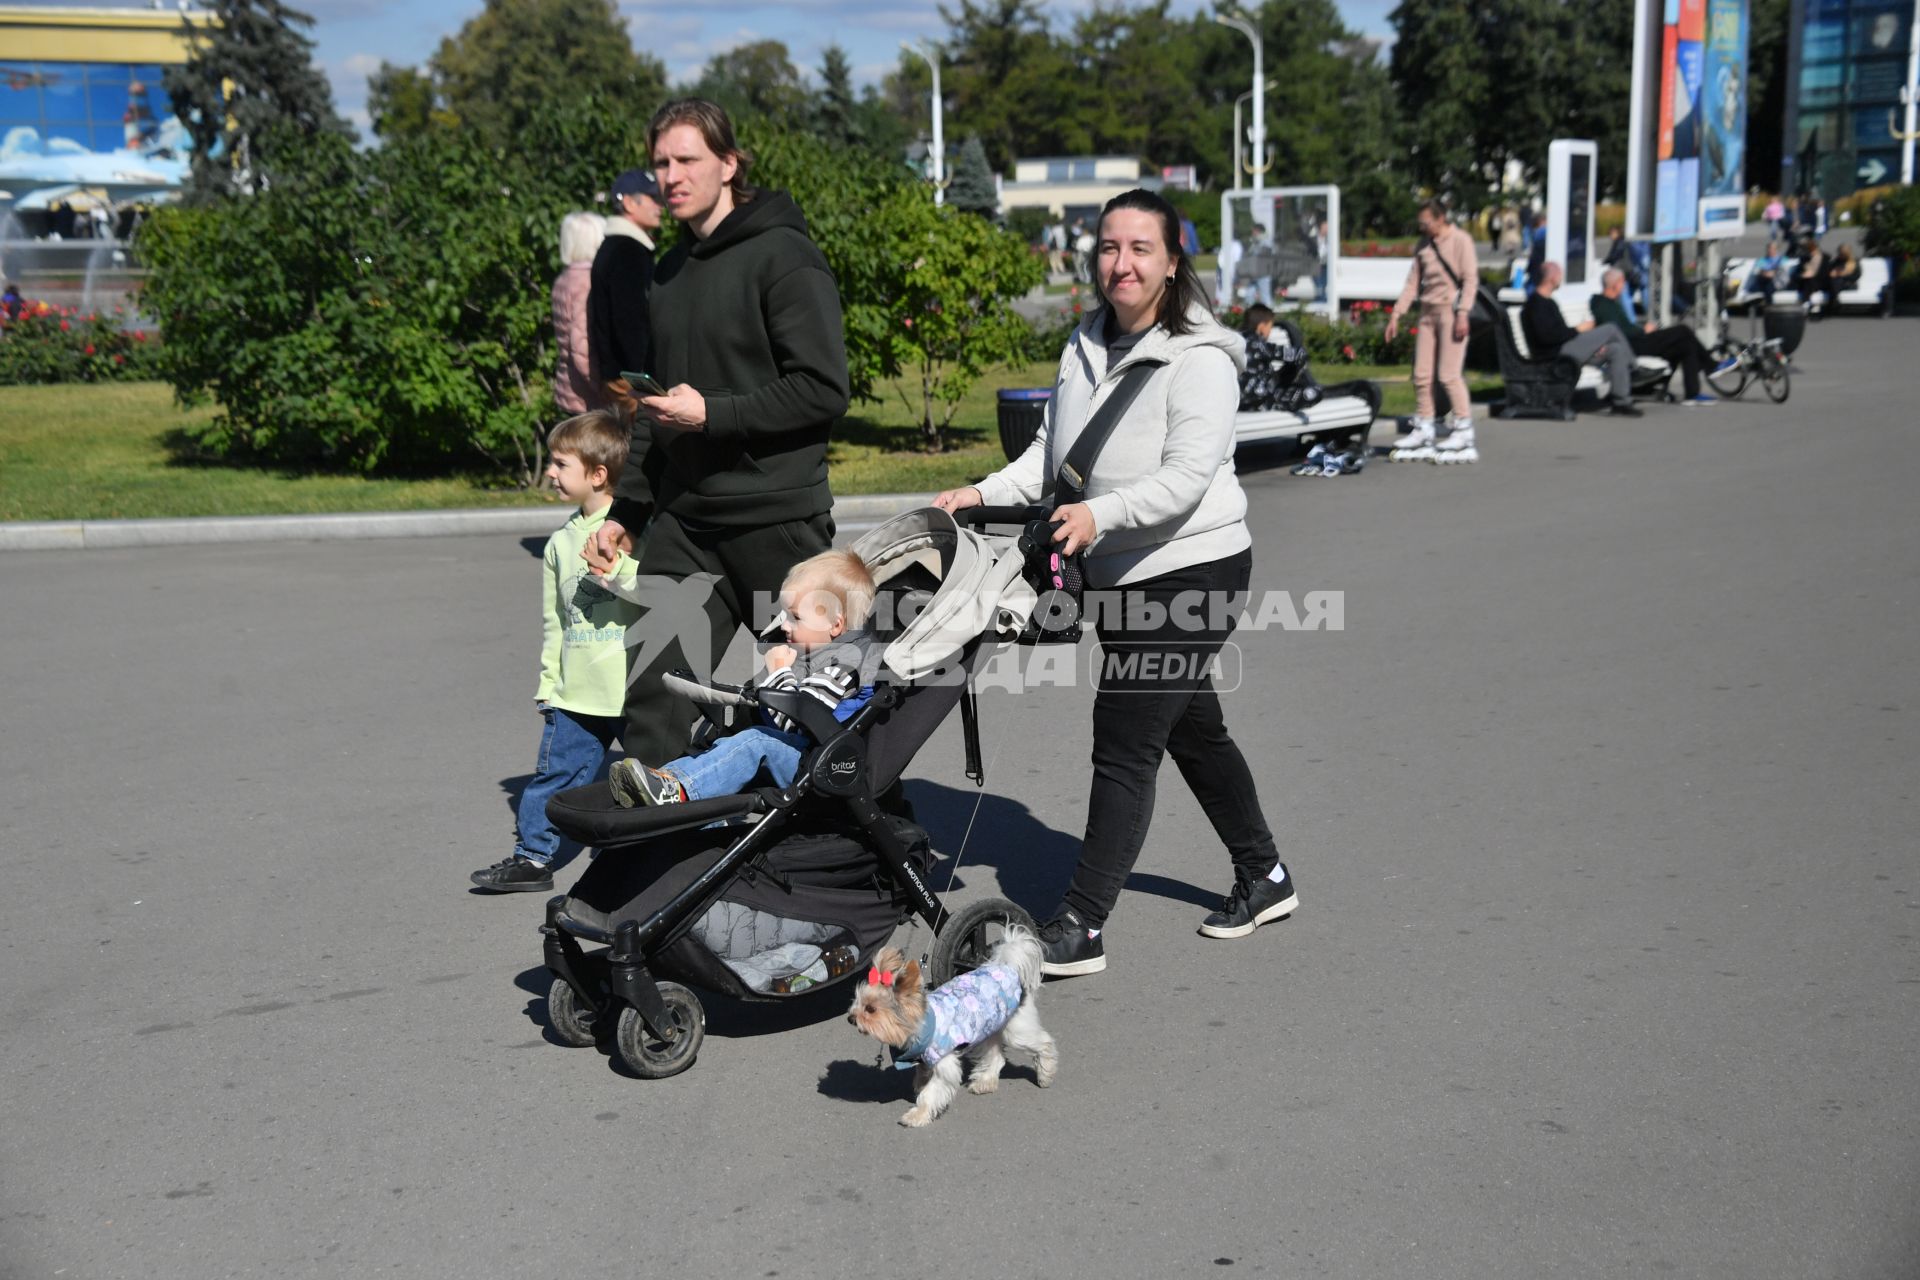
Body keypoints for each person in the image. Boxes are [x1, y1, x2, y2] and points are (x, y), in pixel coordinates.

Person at [931, 188, 1294, 977]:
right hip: (1120, 574)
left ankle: (1082, 923)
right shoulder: (1086, 342)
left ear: (1170, 262)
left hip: (1192, 568)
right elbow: (1056, 459)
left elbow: (1188, 478)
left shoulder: (1200, 359)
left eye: (1139, 249)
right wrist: (984, 492)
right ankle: (1264, 875)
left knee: (1126, 741)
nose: (1120, 263)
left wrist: (1101, 514)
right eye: (1108, 248)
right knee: (1194, 731)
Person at [584, 98, 849, 769]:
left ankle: (865, 846)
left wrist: (716, 414)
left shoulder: (784, 256)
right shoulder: (669, 272)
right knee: (655, 699)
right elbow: (655, 406)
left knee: (814, 699)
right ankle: (654, 863)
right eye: (660, 164)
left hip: (776, 520)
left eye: (686, 160)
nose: (670, 176)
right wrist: (628, 512)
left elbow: (822, 389)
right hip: (686, 523)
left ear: (729, 164)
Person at [471, 411, 642, 893]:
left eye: (560, 464)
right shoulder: (558, 543)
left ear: (597, 474)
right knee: (555, 778)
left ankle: (670, 853)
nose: (550, 472)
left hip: (632, 691)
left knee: (661, 777)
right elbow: (556, 623)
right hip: (577, 696)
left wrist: (616, 572)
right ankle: (532, 858)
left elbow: (654, 593)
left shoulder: (629, 529)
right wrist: (550, 684)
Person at [607, 550, 877, 807]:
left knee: (753, 741)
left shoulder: (842, 667)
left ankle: (678, 789)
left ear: (836, 625)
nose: (784, 625)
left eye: (796, 617)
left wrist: (779, 671)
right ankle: (666, 781)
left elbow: (797, 720)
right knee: (729, 743)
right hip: (794, 752)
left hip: (814, 764)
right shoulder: (813, 656)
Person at [1384, 199, 1480, 460]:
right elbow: (1412, 283)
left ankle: (1463, 428)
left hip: (1451, 313)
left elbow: (1470, 279)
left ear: (1441, 218)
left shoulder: (1461, 240)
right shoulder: (1423, 244)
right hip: (1427, 314)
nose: (1422, 226)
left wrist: (1463, 314)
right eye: (1420, 223)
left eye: (1426, 222)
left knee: (1449, 375)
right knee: (1422, 375)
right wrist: (1396, 315)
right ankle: (1424, 426)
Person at [1522, 261, 1643, 417]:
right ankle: (1634, 368)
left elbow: (1559, 332)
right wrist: (1578, 330)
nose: (1561, 280)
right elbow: (1547, 337)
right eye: (1559, 276)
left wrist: (1590, 345)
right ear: (1552, 278)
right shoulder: (1536, 304)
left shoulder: (1549, 302)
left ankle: (1621, 402)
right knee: (1611, 328)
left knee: (1616, 350)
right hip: (1555, 355)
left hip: (1567, 349)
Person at [586, 168, 664, 401]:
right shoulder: (627, 251)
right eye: (654, 199)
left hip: (620, 377)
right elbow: (629, 321)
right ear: (629, 203)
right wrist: (644, 377)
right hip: (631, 382)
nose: (661, 206)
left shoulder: (616, 246)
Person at [1591, 268, 1716, 406]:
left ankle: (1692, 394)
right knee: (1682, 330)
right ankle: (1711, 366)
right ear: (1615, 284)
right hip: (1631, 345)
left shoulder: (1611, 303)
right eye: (1622, 283)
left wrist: (1641, 329)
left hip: (1635, 340)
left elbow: (1624, 327)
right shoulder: (1602, 305)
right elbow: (1618, 331)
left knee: (1684, 345)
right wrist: (1644, 330)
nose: (1624, 287)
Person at [551, 211, 607, 415]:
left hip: (568, 387)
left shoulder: (565, 279)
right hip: (587, 397)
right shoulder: (586, 283)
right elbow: (582, 346)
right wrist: (604, 389)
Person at [1246, 222, 1274, 307]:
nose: (1252, 233)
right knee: (1249, 295)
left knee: (1265, 296)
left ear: (1258, 231)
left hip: (1263, 273)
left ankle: (1269, 312)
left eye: (1254, 231)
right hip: (1255, 273)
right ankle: (1249, 311)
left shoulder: (1266, 241)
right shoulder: (1256, 241)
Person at [1747, 239, 1784, 304]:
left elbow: (1782, 272)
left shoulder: (1782, 259)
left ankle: (1768, 304)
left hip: (1776, 281)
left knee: (1768, 283)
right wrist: (1765, 273)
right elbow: (1757, 270)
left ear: (1776, 249)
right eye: (1769, 248)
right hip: (1763, 280)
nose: (1770, 250)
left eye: (1772, 248)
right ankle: (1769, 305)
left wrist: (1772, 273)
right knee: (1766, 281)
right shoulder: (1762, 260)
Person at [1526, 212, 1548, 292]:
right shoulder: (1542, 232)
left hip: (1535, 266)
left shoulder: (1534, 232)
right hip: (1539, 267)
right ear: (1542, 221)